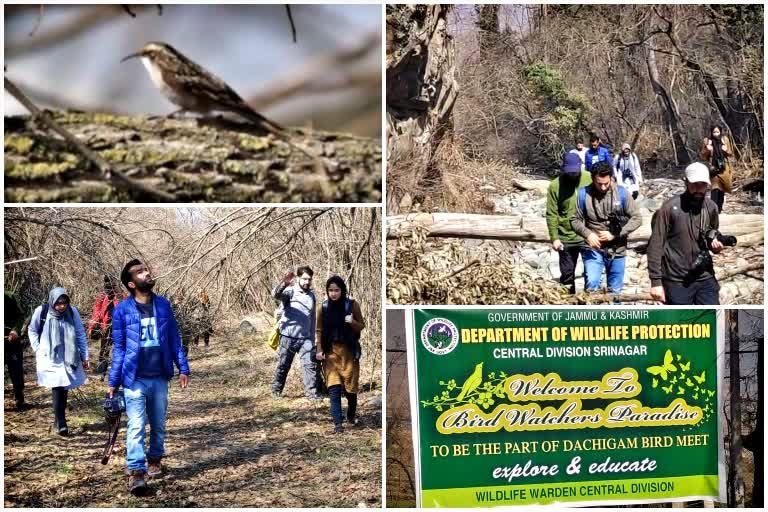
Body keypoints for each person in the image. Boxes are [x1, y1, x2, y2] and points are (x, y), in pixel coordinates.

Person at [109, 259, 190, 496]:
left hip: (159, 376)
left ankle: (155, 459)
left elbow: (175, 339)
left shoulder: (163, 305)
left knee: (158, 423)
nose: (147, 273)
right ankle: (136, 471)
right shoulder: (122, 311)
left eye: (146, 270)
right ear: (131, 283)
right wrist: (113, 382)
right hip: (134, 378)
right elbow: (119, 350)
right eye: (140, 272)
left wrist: (183, 368)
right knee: (135, 425)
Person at [647, 162, 724, 305]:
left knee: (711, 318)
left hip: (704, 276)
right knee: (681, 323)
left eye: (702, 185)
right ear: (686, 182)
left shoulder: (711, 207)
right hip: (676, 279)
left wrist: (715, 247)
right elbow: (655, 245)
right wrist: (656, 282)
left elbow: (711, 235)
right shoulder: (670, 208)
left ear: (708, 185)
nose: (698, 189)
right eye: (694, 184)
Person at [572, 161, 641, 294]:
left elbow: (637, 218)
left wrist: (615, 234)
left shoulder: (622, 194)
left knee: (615, 292)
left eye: (606, 183)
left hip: (617, 249)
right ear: (592, 179)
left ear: (611, 178)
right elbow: (574, 220)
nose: (603, 187)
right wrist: (587, 234)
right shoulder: (582, 194)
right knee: (591, 285)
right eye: (599, 183)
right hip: (593, 249)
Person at [28, 287, 90, 435]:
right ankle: (62, 422)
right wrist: (38, 348)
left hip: (69, 355)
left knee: (64, 387)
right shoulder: (41, 311)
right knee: (57, 386)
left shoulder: (72, 312)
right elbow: (32, 329)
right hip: (49, 357)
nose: (62, 306)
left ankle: (58, 420)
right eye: (58, 303)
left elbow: (80, 333)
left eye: (64, 303)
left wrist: (85, 356)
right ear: (52, 301)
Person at [315, 276, 365, 433]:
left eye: (337, 290)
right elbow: (318, 330)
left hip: (349, 352)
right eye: (330, 290)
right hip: (330, 353)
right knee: (334, 388)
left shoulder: (351, 305)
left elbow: (361, 326)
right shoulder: (322, 308)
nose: (333, 293)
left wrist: (352, 322)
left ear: (342, 290)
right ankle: (338, 423)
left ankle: (350, 415)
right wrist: (318, 350)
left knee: (350, 389)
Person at [271, 266, 320, 401]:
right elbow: (275, 294)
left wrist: (313, 336)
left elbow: (313, 317)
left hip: (305, 339)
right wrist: (284, 283)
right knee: (283, 365)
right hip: (288, 337)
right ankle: (276, 390)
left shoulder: (311, 296)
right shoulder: (290, 291)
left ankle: (311, 394)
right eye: (304, 279)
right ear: (298, 278)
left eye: (309, 279)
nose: (306, 282)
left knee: (310, 366)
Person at [546, 152, 592, 294]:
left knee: (591, 276)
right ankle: (569, 307)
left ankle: (588, 306)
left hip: (588, 235)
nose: (573, 175)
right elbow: (551, 214)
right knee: (567, 277)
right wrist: (554, 238)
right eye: (569, 172)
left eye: (575, 172)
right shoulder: (555, 186)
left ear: (580, 167)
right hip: (566, 237)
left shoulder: (589, 178)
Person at [87, 276, 120, 380]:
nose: (108, 287)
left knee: (118, 350)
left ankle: (116, 374)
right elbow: (97, 311)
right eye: (106, 284)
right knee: (104, 349)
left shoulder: (119, 295)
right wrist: (92, 326)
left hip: (118, 327)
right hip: (106, 327)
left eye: (110, 284)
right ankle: (102, 373)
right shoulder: (102, 296)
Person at [5, 290, 29, 411]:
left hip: (11, 340)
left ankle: (19, 397)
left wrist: (15, 330)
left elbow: (20, 315)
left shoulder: (10, 297)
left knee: (16, 370)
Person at [700, 125, 733, 213]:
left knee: (722, 189)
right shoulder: (707, 140)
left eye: (717, 132)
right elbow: (703, 155)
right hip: (713, 167)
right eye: (714, 132)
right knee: (714, 189)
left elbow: (730, 153)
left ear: (720, 132)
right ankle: (713, 210)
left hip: (724, 168)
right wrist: (707, 149)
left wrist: (725, 150)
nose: (716, 134)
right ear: (711, 132)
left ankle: (719, 209)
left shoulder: (724, 139)